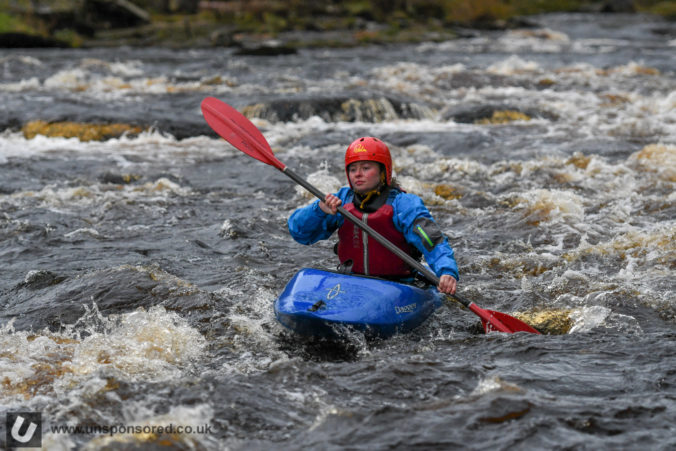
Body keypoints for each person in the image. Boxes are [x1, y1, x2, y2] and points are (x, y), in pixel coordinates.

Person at [288, 137, 458, 294]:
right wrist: (318, 210)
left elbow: (432, 240)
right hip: (352, 281)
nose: (358, 174)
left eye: (366, 168)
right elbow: (299, 233)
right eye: (353, 169)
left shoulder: (404, 204)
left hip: (398, 286)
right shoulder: (340, 201)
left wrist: (446, 271)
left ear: (383, 171)